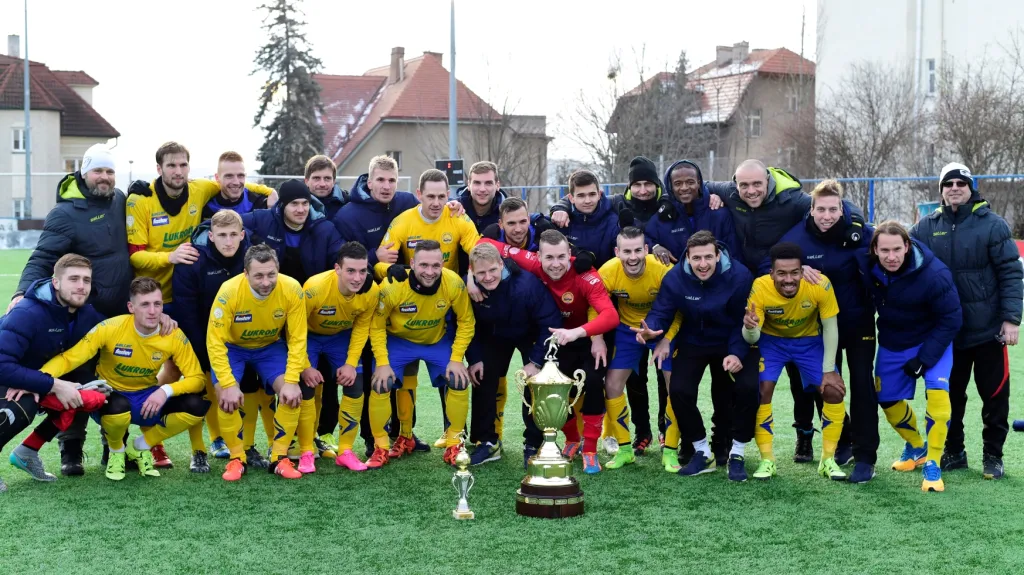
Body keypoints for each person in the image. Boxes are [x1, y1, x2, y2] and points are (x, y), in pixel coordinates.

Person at [708, 159, 856, 464]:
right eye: (743, 185)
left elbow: (831, 205)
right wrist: (709, 196)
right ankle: (735, 442)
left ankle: (839, 440)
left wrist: (852, 225)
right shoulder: (728, 191)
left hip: (786, 283)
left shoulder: (793, 200)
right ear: (735, 183)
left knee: (816, 380)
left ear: (768, 182)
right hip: (749, 288)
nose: (750, 190)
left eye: (756, 184)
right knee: (750, 377)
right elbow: (700, 185)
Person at [9, 144, 130, 473]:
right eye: (98, 171)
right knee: (75, 377)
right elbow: (43, 257)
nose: (104, 177)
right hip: (79, 317)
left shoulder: (120, 200)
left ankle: (113, 448)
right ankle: (70, 452)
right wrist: (21, 293)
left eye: (109, 171)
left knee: (109, 380)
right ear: (84, 172)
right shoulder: (65, 213)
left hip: (116, 315)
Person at [911, 163, 1022, 480]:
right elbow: (902, 261)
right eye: (949, 183)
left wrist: (1011, 319)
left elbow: (1011, 273)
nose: (955, 187)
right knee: (948, 398)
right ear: (941, 190)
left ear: (972, 188)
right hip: (946, 334)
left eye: (961, 182)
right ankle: (954, 452)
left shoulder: (993, 225)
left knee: (995, 397)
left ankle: (993, 456)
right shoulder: (926, 227)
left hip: (988, 331)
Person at [477, 229, 619, 474]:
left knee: (594, 382)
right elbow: (484, 243)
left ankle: (591, 450)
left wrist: (582, 333)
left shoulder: (586, 275)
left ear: (569, 254)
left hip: (584, 338)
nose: (555, 264)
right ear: (538, 256)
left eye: (561, 257)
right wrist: (471, 275)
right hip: (554, 340)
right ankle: (572, 439)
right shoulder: (530, 262)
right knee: (550, 390)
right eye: (549, 257)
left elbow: (611, 315)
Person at [40, 277, 209, 481]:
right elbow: (69, 358)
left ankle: (140, 446)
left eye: (157, 304)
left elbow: (197, 378)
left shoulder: (173, 334)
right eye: (145, 304)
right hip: (112, 398)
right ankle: (116, 452)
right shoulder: (110, 328)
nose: (153, 311)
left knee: (197, 405)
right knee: (117, 406)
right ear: (131, 307)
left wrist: (164, 391)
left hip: (146, 396)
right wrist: (39, 379)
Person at [635, 231, 758, 481]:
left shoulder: (740, 275)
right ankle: (702, 451)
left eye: (708, 257)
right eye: (696, 258)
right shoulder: (676, 277)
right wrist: (650, 330)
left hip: (729, 339)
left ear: (718, 255)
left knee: (746, 388)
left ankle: (737, 452)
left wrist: (736, 353)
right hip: (694, 340)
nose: (703, 264)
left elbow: (740, 321)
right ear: (687, 258)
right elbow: (662, 310)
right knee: (679, 390)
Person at [373, 169, 481, 448]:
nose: (436, 202)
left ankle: (455, 437)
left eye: (442, 196)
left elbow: (479, 251)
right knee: (402, 375)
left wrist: (471, 273)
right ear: (418, 195)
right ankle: (403, 437)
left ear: (450, 196)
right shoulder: (402, 222)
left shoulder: (457, 216)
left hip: (447, 298)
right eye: (430, 196)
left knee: (455, 374)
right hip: (410, 298)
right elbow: (379, 262)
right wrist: (390, 269)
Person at [775, 180, 874, 480]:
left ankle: (866, 454)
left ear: (842, 209)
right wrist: (796, 269)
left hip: (858, 324)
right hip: (818, 327)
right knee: (826, 384)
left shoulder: (860, 234)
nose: (827, 216)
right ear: (812, 209)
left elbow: (888, 257)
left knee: (861, 385)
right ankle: (841, 440)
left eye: (833, 209)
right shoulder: (796, 241)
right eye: (821, 209)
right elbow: (773, 269)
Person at [643, 159, 741, 459]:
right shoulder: (663, 215)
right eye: (678, 183)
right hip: (685, 319)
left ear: (700, 182)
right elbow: (645, 235)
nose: (684, 187)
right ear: (669, 186)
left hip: (720, 317)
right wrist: (653, 246)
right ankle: (686, 439)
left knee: (724, 389)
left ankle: (721, 440)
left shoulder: (716, 209)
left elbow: (730, 252)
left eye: (690, 181)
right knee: (677, 385)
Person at [172, 210, 275, 472]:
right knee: (201, 390)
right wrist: (205, 353)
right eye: (221, 236)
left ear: (242, 235)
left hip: (244, 340)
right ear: (211, 236)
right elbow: (187, 311)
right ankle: (199, 450)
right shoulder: (192, 260)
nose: (228, 242)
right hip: (202, 338)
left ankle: (248, 446)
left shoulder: (252, 257)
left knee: (249, 389)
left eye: (233, 235)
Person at [863, 221, 961, 492]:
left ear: (907, 246)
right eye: (884, 250)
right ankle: (917, 448)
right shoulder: (868, 267)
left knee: (938, 396)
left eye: (897, 249)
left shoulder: (935, 274)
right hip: (894, 341)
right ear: (875, 249)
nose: (891, 257)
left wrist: (925, 358)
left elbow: (952, 319)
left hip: (932, 341)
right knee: (886, 399)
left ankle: (934, 462)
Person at [0, 254, 107, 489]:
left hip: (32, 376)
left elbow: (116, 331)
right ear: (55, 283)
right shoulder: (27, 312)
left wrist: (160, 320)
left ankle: (27, 452)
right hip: (6, 377)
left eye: (86, 280)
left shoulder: (86, 313)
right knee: (23, 403)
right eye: (74, 279)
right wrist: (52, 384)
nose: (81, 286)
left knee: (87, 393)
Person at [742, 242, 847, 482]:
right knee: (762, 390)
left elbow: (831, 328)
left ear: (802, 271)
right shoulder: (760, 287)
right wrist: (749, 328)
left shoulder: (819, 284)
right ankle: (767, 460)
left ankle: (827, 460)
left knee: (833, 390)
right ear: (772, 273)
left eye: (794, 272)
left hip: (809, 342)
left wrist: (829, 370)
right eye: (781, 273)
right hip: (772, 342)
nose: (788, 279)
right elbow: (752, 336)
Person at [207, 244, 313, 481]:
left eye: (271, 274)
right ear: (245, 273)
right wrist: (227, 383)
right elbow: (215, 342)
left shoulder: (292, 288)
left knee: (291, 394)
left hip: (269, 347)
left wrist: (293, 379)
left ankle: (279, 457)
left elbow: (297, 338)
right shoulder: (229, 292)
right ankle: (237, 458)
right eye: (258, 276)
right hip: (233, 348)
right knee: (226, 396)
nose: (266, 282)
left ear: (278, 270)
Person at [368, 240, 475, 468]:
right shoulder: (394, 286)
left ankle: (455, 443)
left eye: (435, 266)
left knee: (459, 379)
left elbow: (467, 321)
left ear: (443, 264)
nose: (429, 272)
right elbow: (375, 326)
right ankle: (385, 445)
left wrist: (457, 359)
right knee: (381, 382)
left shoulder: (453, 284)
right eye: (423, 265)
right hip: (399, 341)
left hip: (436, 341)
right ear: (413, 263)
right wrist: (382, 362)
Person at [591, 226, 680, 471]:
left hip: (662, 330)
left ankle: (671, 450)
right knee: (612, 384)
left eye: (637, 251)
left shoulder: (663, 269)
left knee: (676, 386)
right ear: (617, 252)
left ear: (646, 250)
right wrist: (596, 337)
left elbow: (680, 308)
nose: (632, 257)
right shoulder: (608, 271)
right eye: (627, 251)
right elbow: (594, 304)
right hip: (628, 331)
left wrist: (667, 339)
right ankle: (625, 449)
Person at [464, 242, 562, 466]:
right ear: (472, 271)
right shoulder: (468, 287)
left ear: (501, 264)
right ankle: (487, 442)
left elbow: (550, 322)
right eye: (481, 273)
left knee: (536, 381)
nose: (488, 277)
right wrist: (475, 358)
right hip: (493, 334)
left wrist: (536, 361)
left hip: (529, 333)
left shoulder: (526, 285)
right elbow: (467, 325)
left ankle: (534, 443)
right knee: (482, 375)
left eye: (492, 270)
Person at [302, 242, 379, 471]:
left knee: (355, 383)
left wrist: (350, 363)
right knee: (305, 386)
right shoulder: (314, 287)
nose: (357, 278)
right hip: (309, 337)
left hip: (339, 337)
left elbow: (361, 328)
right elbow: (295, 329)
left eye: (363, 271)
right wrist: (305, 365)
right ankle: (306, 450)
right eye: (350, 271)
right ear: (337, 269)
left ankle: (345, 450)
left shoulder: (371, 290)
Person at [201, 151, 270, 219]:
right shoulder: (206, 208)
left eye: (240, 175)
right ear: (217, 178)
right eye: (229, 176)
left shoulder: (260, 203)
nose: (236, 182)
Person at [480, 197, 554, 251]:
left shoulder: (542, 232)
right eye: (511, 223)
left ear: (528, 219)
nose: (518, 229)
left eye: (523, 222)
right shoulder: (491, 237)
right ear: (501, 224)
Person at [456, 161, 507, 231]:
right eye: (477, 183)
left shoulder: (508, 213)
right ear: (468, 185)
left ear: (497, 185)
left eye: (488, 183)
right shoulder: (454, 210)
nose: (482, 189)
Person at [304, 154, 348, 220]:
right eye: (316, 178)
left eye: (327, 178)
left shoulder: (347, 202)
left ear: (334, 181)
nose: (322, 184)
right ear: (306, 181)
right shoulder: (294, 206)